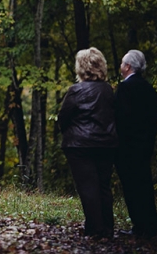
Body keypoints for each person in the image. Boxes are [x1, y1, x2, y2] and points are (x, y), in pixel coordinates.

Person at [58, 47, 118, 239]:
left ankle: (95, 229)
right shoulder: (109, 90)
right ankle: (107, 228)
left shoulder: (75, 91)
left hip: (80, 146)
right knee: (103, 186)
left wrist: (70, 134)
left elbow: (63, 118)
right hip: (106, 145)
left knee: (88, 187)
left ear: (81, 67)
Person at [115, 49, 157, 239]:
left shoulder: (124, 89)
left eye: (122, 64)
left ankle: (139, 226)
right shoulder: (149, 89)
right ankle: (150, 225)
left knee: (132, 187)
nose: (120, 67)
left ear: (128, 66)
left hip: (127, 147)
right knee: (145, 184)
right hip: (145, 145)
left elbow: (121, 118)